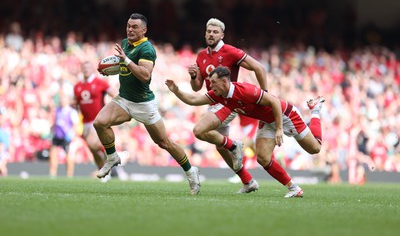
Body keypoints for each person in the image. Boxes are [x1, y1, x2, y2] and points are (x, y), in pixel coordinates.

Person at [166, 66, 325, 198]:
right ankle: (294, 188)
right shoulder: (219, 95)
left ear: (224, 81)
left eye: (213, 82)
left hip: (285, 115)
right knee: (263, 158)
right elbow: (194, 100)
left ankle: (315, 110)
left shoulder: (245, 90)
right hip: (266, 121)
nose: (211, 85)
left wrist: (279, 128)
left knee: (315, 148)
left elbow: (274, 101)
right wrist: (176, 91)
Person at [93, 13, 200, 194]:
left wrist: (125, 60)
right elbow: (123, 67)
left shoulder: (147, 49)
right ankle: (112, 157)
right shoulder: (125, 44)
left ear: (144, 30)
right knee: (100, 122)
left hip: (143, 103)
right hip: (124, 99)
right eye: (128, 26)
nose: (130, 30)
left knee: (164, 142)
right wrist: (109, 70)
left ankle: (191, 172)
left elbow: (144, 75)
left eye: (135, 27)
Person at [187, 18, 268, 193]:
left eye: (215, 32)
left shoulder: (230, 52)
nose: (211, 34)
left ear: (222, 35)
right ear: (205, 32)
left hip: (228, 102)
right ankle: (248, 181)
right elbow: (197, 87)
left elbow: (259, 68)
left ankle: (234, 145)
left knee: (199, 131)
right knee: (219, 146)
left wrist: (265, 95)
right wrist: (193, 76)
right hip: (212, 103)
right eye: (208, 31)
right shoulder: (201, 56)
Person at [73, 61, 126, 182]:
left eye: (88, 67)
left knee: (93, 144)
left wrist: (118, 108)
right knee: (94, 150)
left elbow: (115, 95)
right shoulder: (77, 87)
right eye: (84, 67)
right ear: (81, 69)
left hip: (98, 120)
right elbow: (75, 104)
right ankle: (106, 171)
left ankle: (114, 158)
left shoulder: (100, 83)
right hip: (85, 122)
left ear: (92, 69)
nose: (86, 70)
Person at [49, 92, 80, 178]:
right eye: (61, 99)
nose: (62, 100)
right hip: (57, 135)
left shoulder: (71, 111)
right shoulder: (57, 110)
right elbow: (55, 122)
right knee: (53, 154)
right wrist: (52, 129)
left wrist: (71, 134)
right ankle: (52, 174)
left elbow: (75, 124)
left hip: (66, 136)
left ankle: (69, 174)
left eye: (64, 99)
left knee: (68, 156)